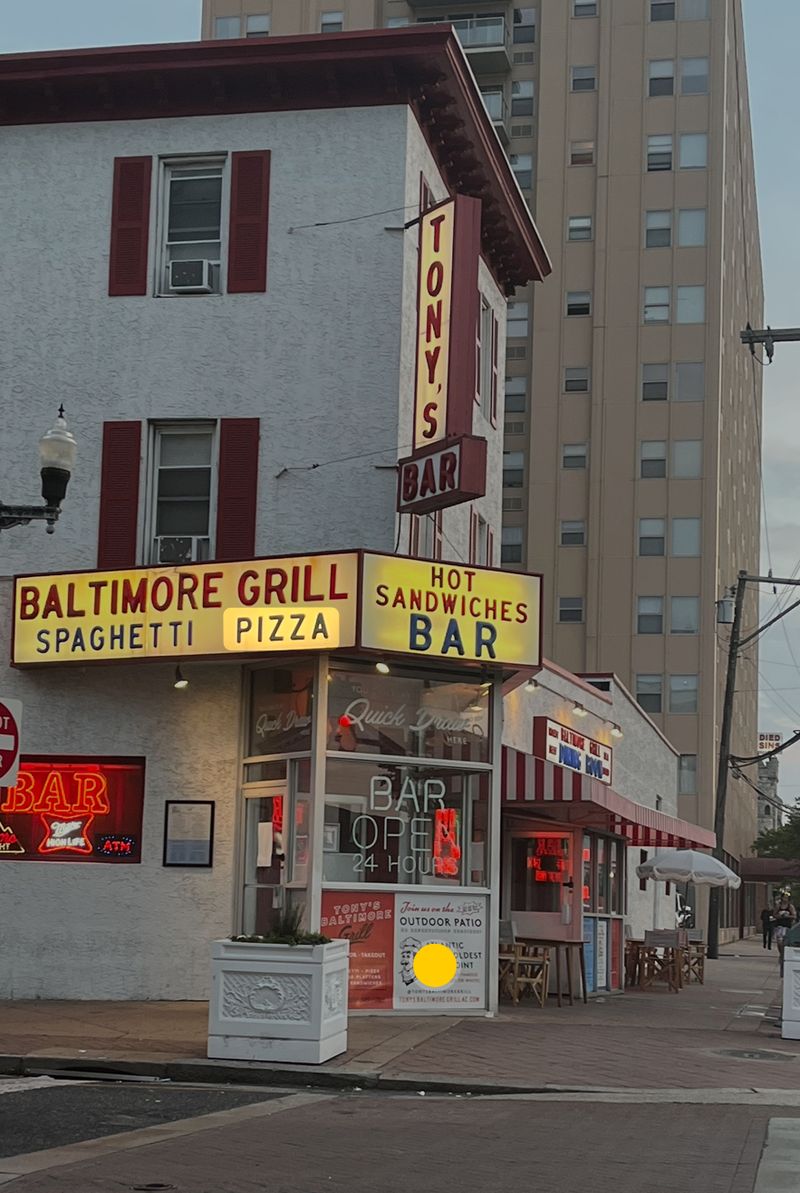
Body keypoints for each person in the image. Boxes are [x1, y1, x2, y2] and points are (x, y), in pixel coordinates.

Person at [772, 893, 797, 971]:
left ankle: (783, 955)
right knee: (779, 942)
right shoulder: (778, 906)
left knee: (784, 942)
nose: (785, 899)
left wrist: (787, 916)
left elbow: (794, 916)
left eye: (786, 898)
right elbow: (774, 915)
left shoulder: (790, 907)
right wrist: (779, 916)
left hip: (787, 927)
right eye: (784, 897)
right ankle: (781, 953)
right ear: (782, 898)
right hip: (779, 926)